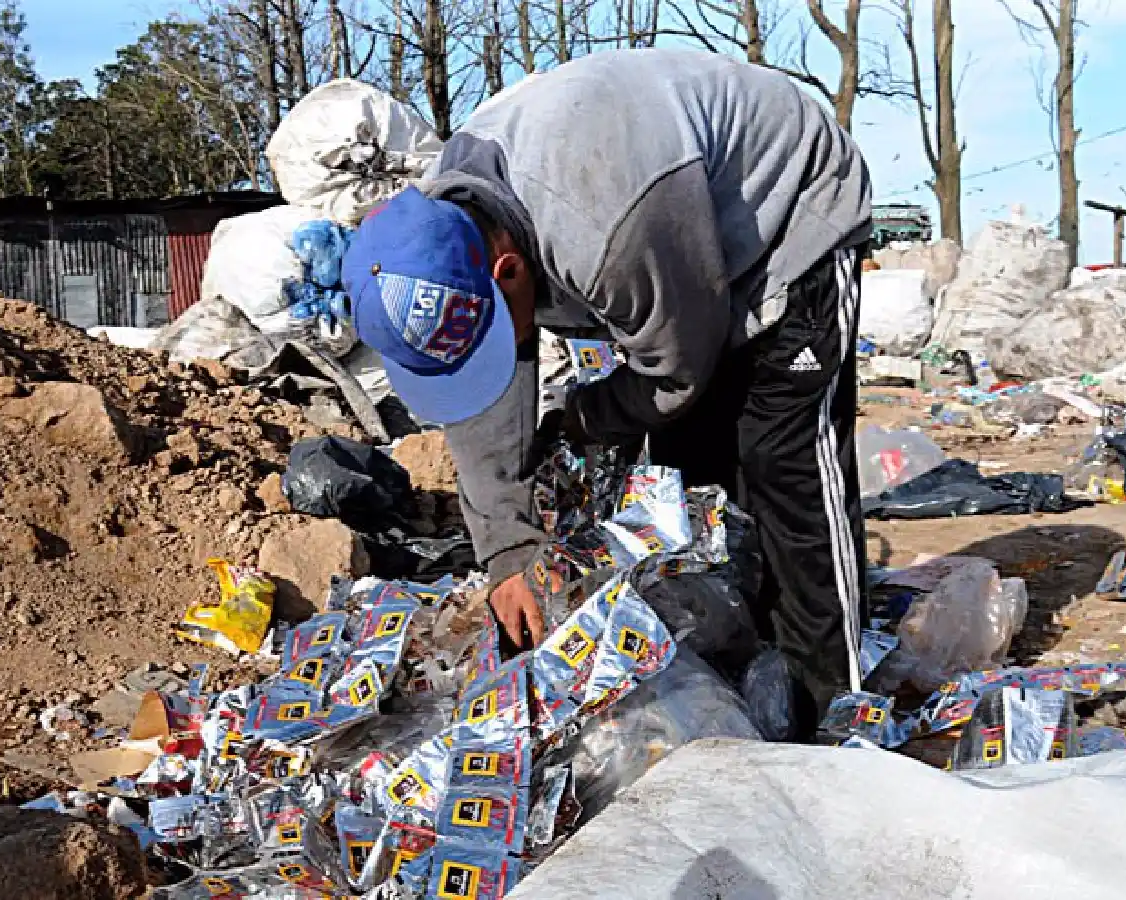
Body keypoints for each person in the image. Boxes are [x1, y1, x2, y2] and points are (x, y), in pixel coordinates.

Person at [341, 48, 872, 736]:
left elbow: (677, 371)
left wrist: (589, 414)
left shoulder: (605, 233)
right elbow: (484, 408)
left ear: (507, 271)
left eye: (496, 330)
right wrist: (508, 551)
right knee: (692, 484)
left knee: (781, 463)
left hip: (789, 214)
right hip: (671, 239)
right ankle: (738, 683)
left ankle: (838, 711)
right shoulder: (444, 230)